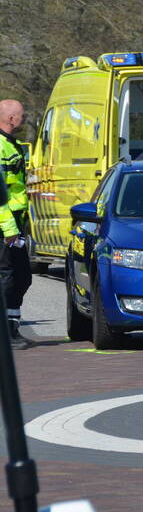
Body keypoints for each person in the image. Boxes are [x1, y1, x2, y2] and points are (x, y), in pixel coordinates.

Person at [0, 99, 33, 349]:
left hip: (16, 222)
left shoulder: (14, 145)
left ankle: (12, 328)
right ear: (11, 119)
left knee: (22, 277)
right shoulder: (1, 147)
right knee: (8, 277)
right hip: (5, 225)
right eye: (21, 115)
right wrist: (9, 228)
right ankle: (7, 335)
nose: (23, 119)